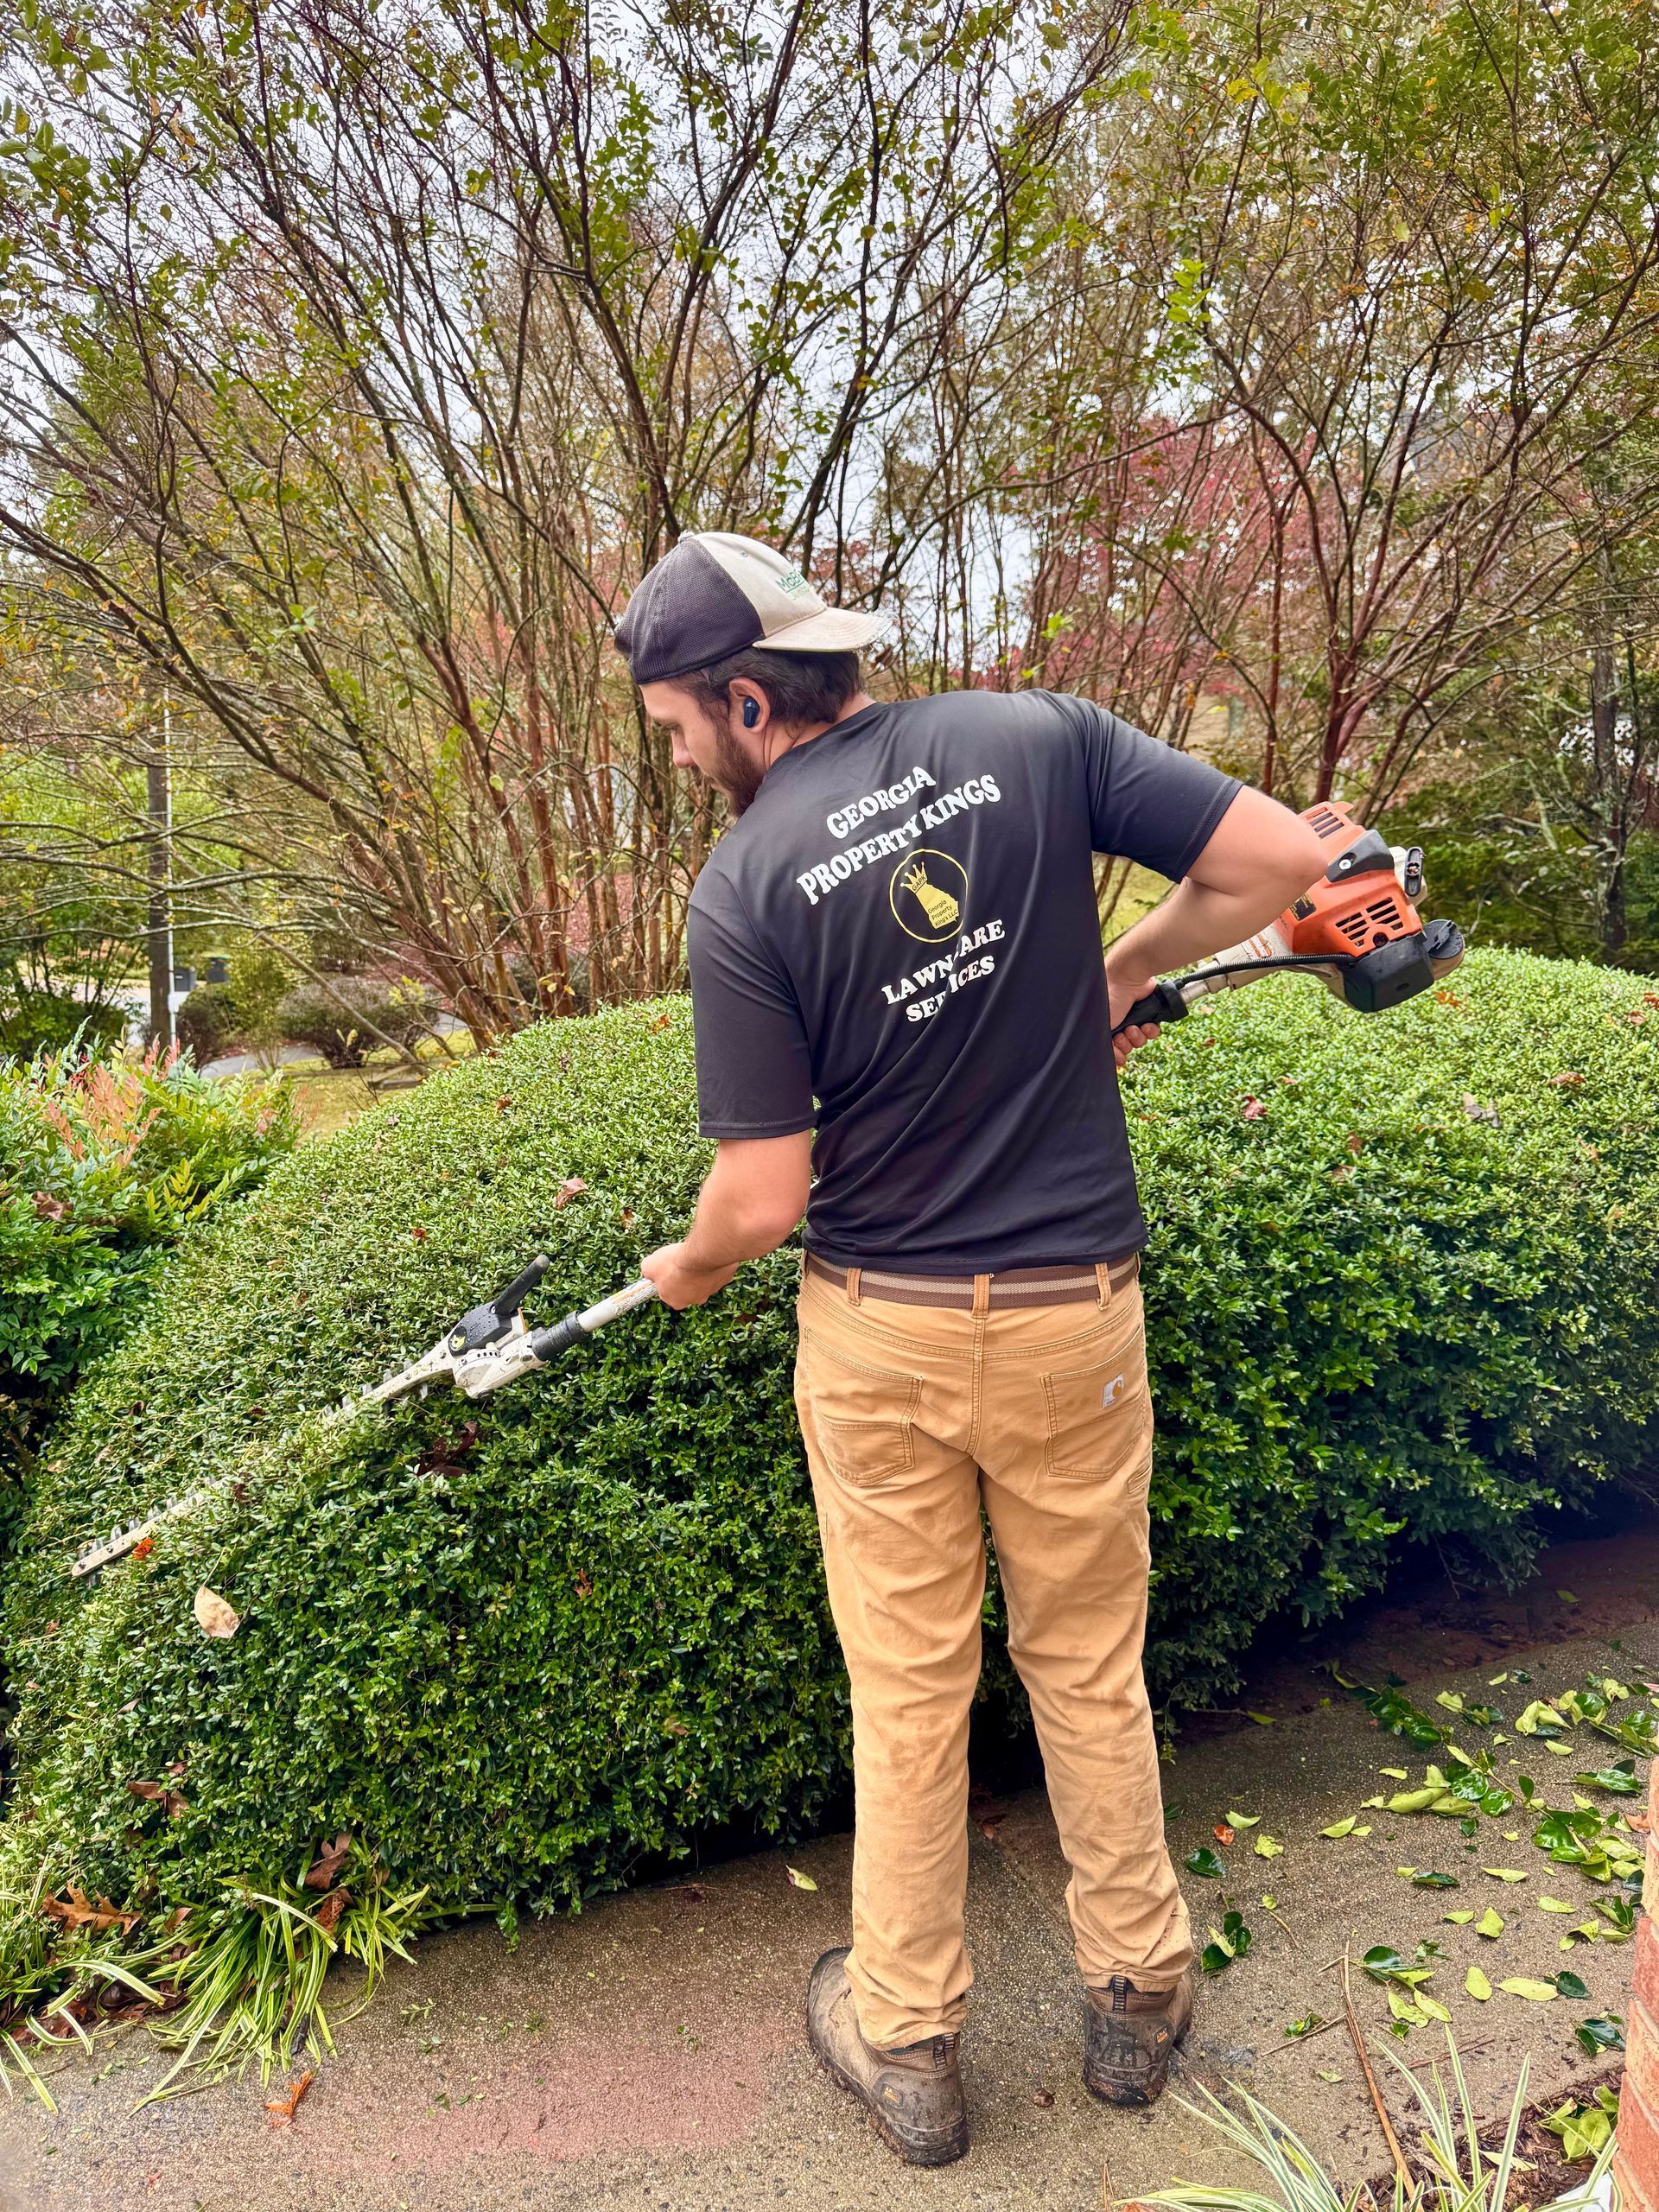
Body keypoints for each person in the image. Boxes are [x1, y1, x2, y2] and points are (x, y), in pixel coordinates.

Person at [617, 532, 1326, 2167]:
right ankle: (1139, 1998)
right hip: (1076, 1314)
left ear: (743, 696)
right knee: (1086, 1663)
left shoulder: (741, 890)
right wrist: (1120, 967)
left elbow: (763, 1193)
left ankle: (912, 2043)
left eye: (675, 728)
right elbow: (1278, 857)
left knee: (910, 1691)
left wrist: (691, 1267)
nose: (676, 758)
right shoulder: (1032, 733)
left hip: (887, 1340)